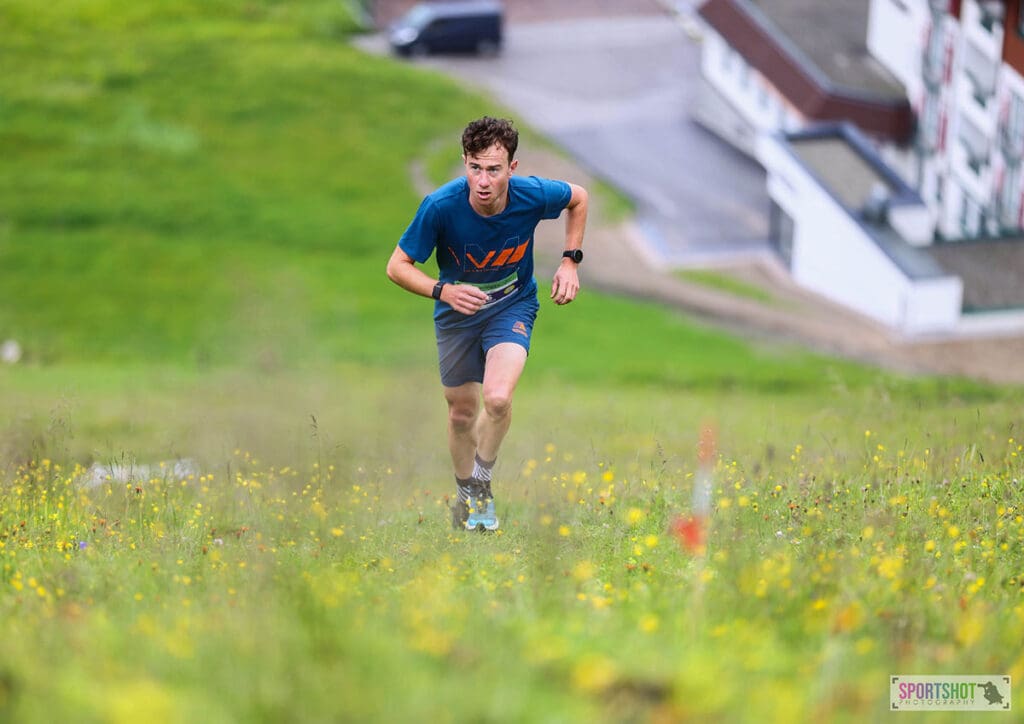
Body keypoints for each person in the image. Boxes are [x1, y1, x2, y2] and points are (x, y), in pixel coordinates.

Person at [386, 116, 588, 531]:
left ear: (512, 168)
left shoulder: (531, 195)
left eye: (493, 170)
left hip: (511, 307)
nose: (482, 180)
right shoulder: (441, 207)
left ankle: (480, 488)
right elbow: (396, 267)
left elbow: (579, 198)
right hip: (456, 316)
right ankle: (465, 498)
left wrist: (570, 260)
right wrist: (442, 291)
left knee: (497, 400)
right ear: (464, 162)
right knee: (462, 412)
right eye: (475, 167)